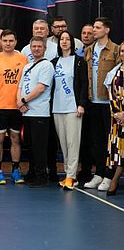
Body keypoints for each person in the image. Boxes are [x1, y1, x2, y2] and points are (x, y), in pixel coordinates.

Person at [0, 29, 28, 185]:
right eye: (5, 41)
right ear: (1, 42)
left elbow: (27, 83)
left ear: (16, 42)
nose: (8, 43)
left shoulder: (23, 59)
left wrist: (24, 102)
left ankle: (16, 170)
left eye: (11, 41)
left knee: (16, 138)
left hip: (17, 107)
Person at [82, 17, 120, 190]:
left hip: (108, 103)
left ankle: (108, 176)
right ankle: (98, 174)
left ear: (107, 30)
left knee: (109, 141)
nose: (94, 30)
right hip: (93, 102)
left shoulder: (115, 50)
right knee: (96, 141)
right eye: (94, 27)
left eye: (97, 27)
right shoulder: (89, 50)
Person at [50, 31, 88, 190]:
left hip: (73, 107)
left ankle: (71, 176)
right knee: (64, 144)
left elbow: (84, 84)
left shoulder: (79, 61)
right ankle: (68, 174)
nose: (64, 41)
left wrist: (81, 104)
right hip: (57, 108)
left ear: (72, 42)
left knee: (73, 142)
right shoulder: (54, 62)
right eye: (62, 39)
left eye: (67, 39)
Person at [17, 37, 55, 187]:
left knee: (40, 146)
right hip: (27, 112)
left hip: (40, 112)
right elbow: (20, 86)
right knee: (30, 145)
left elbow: (41, 88)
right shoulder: (27, 66)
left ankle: (41, 175)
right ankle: (32, 172)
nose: (36, 49)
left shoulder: (47, 65)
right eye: (34, 46)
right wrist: (19, 102)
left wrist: (24, 100)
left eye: (39, 46)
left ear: (44, 48)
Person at [103, 43, 124, 196]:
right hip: (117, 118)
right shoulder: (114, 72)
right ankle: (114, 179)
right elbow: (111, 94)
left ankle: (114, 180)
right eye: (122, 51)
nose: (123, 53)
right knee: (119, 151)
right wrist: (117, 113)